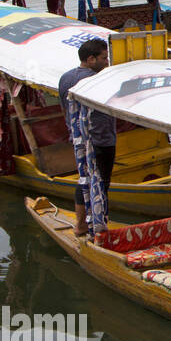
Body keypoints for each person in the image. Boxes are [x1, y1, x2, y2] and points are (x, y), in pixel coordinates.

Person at [58, 38, 115, 236]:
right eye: (104, 58)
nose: (107, 62)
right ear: (91, 59)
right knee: (100, 182)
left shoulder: (66, 77)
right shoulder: (97, 80)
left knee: (84, 179)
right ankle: (92, 224)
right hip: (99, 139)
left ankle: (81, 224)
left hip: (78, 139)